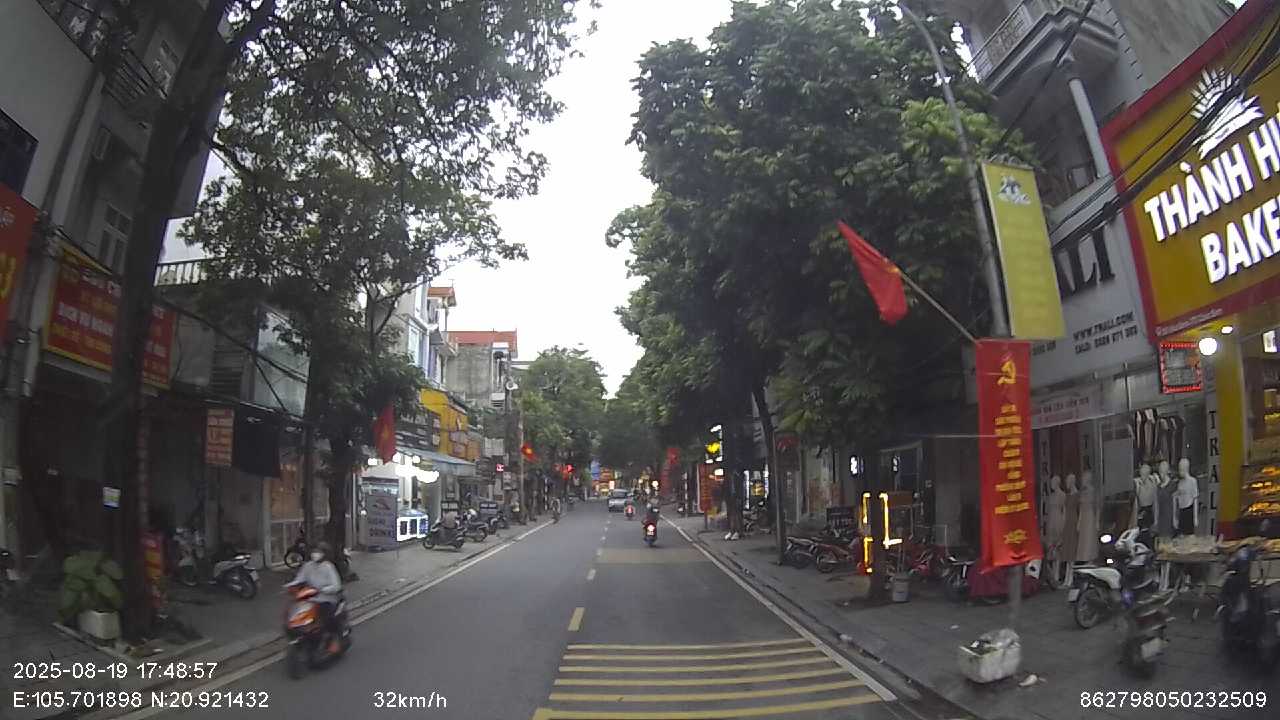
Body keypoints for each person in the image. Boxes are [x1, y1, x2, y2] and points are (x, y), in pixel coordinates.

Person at [285, 541, 343, 649]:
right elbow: (299, 579)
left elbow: (336, 585)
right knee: (293, 615)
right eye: (314, 551)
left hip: (326, 598)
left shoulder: (328, 567)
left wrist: (324, 590)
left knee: (328, 618)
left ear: (324, 554)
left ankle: (334, 639)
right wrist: (290, 586)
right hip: (310, 598)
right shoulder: (308, 566)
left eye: (318, 552)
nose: (315, 554)